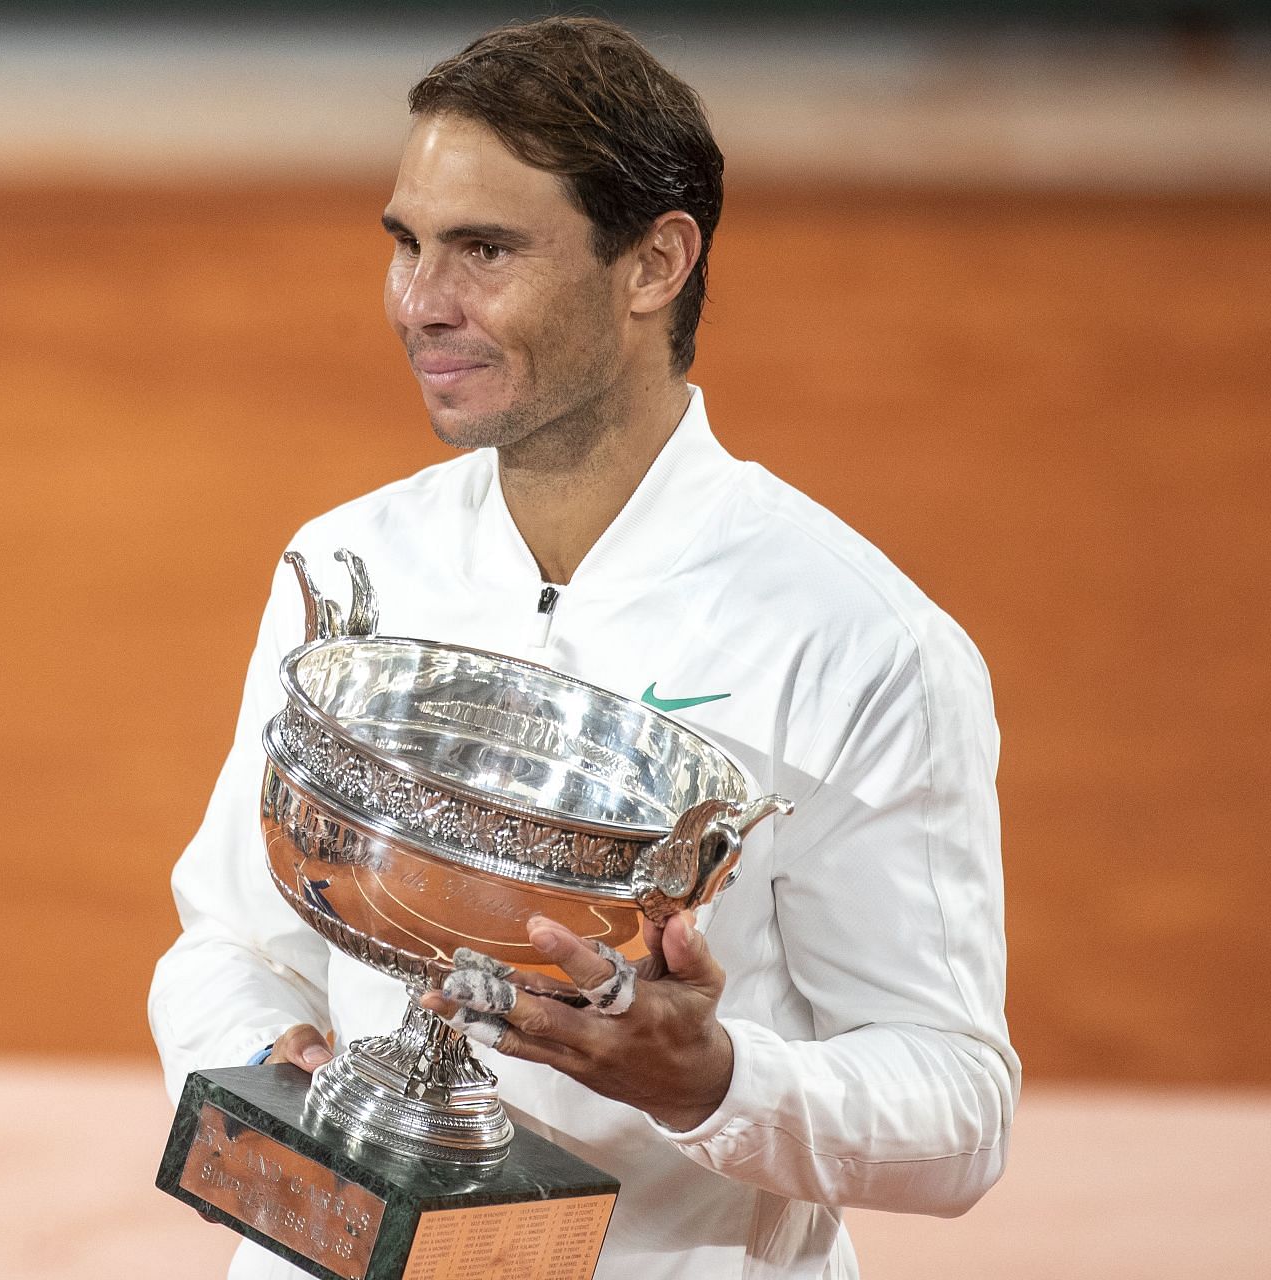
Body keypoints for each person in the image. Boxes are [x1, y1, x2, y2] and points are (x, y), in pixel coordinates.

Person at [149, 16, 1018, 1278]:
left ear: (655, 261)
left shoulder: (859, 643)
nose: (420, 302)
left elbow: (957, 1110)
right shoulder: (350, 567)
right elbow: (228, 936)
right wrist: (272, 1064)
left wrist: (715, 1079)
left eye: (484, 250)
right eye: (407, 243)